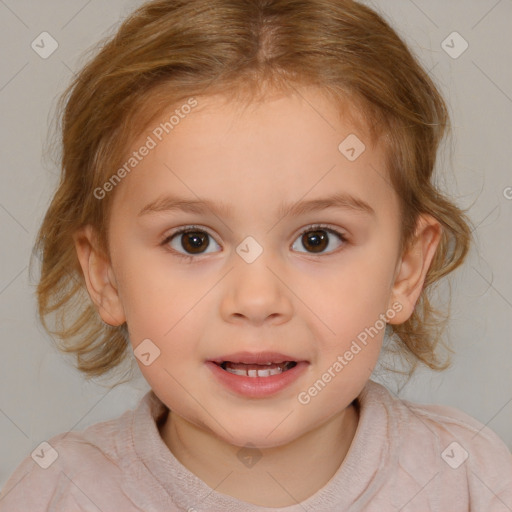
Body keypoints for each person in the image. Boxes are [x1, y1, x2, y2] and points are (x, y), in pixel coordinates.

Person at [1, 0, 511, 510]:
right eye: (193, 240)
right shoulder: (56, 493)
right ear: (106, 275)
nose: (257, 299)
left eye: (317, 239)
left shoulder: (470, 481)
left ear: (405, 270)